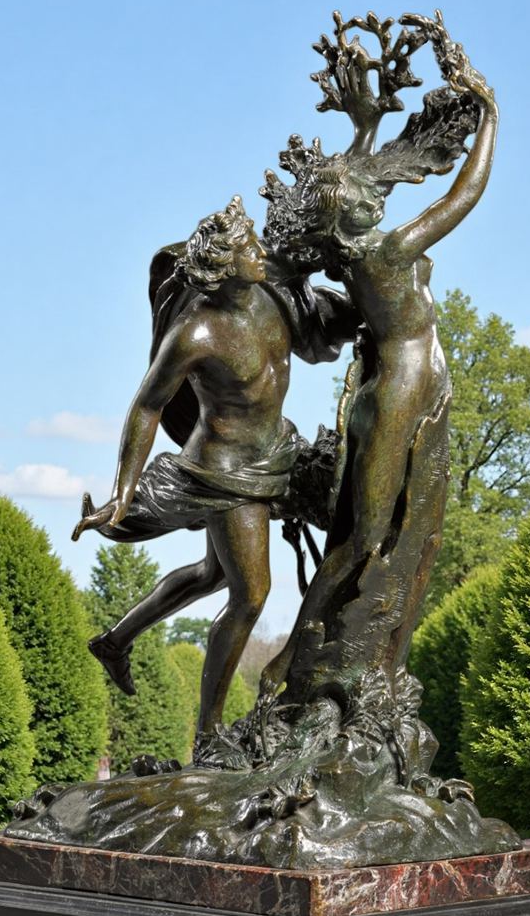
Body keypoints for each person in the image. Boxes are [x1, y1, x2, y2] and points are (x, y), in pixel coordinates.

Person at [259, 38, 499, 698]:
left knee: (366, 531)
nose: (377, 195)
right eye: (366, 194)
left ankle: (322, 657)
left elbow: (360, 176)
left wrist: (365, 128)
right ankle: (291, 661)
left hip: (385, 391)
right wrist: (490, 117)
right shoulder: (389, 253)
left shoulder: (354, 258)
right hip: (398, 396)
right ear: (356, 213)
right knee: (364, 540)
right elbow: (465, 195)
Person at [72, 196, 354, 737]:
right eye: (248, 248)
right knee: (250, 596)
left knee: (213, 574)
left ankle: (114, 640)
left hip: (276, 452)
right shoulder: (196, 332)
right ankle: (208, 734)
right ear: (223, 267)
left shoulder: (272, 291)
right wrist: (124, 491)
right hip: (226, 473)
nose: (259, 252)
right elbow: (147, 405)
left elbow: (324, 303)